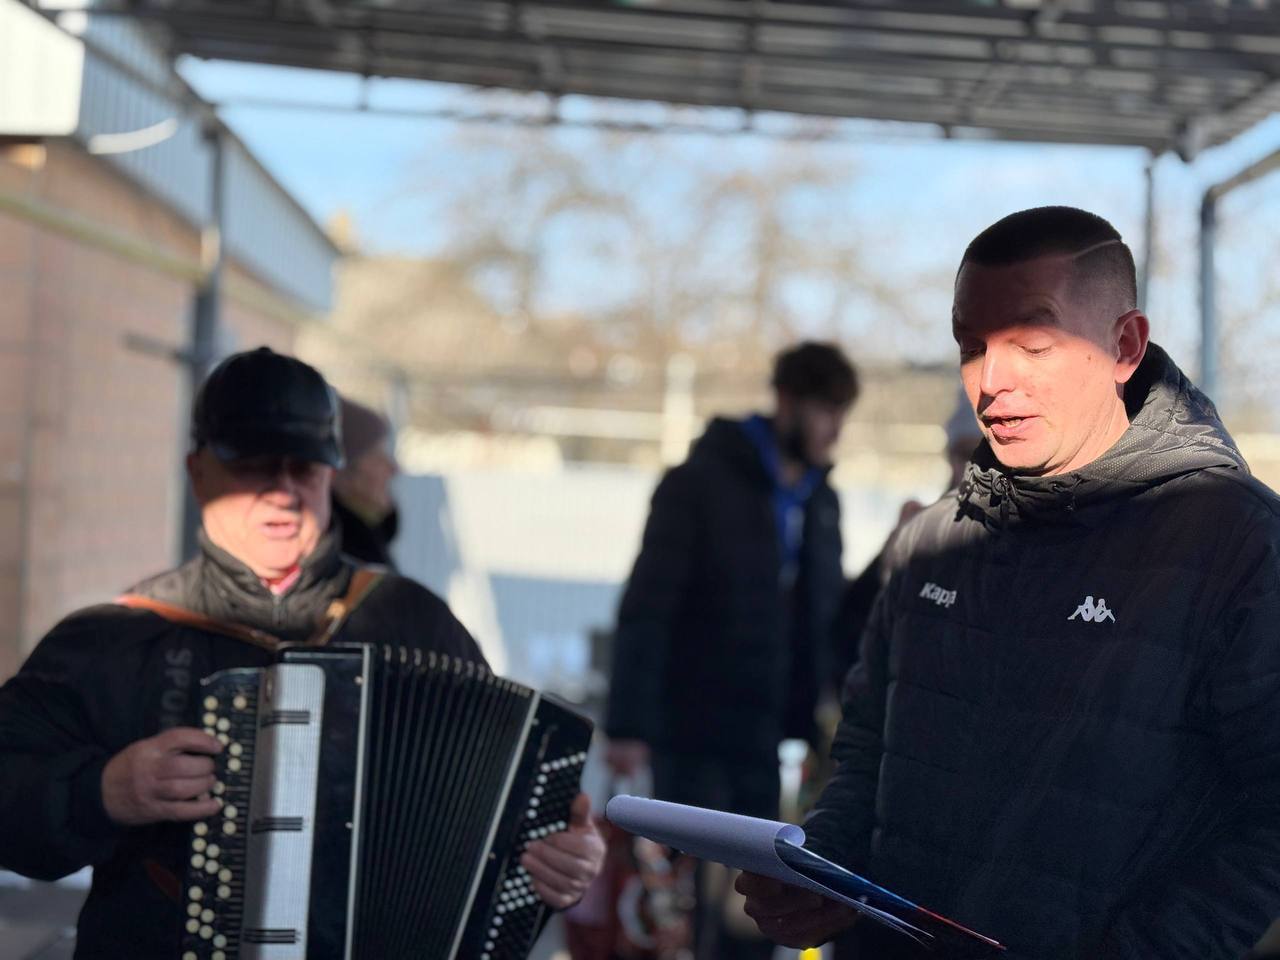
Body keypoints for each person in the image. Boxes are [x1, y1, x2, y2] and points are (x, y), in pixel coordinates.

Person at [738, 206, 1280, 959]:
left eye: (1033, 341)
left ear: (1125, 347)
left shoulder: (1238, 545)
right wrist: (828, 873)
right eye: (970, 346)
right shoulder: (928, 543)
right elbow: (867, 754)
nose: (990, 383)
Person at [0, 347, 605, 958]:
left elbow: (499, 829)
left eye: (306, 469)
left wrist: (561, 864)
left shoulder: (412, 619)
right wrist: (104, 791)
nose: (284, 492)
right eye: (256, 467)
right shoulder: (116, 638)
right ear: (197, 471)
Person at [605, 341, 857, 958]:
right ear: (787, 402)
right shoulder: (698, 484)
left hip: (766, 737)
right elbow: (648, 606)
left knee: (752, 906)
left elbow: (830, 617)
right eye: (826, 411)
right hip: (689, 731)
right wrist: (628, 726)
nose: (834, 430)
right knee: (681, 908)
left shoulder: (822, 503)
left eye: (841, 414)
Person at [332, 395, 401, 569]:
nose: (394, 469)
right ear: (342, 474)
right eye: (378, 457)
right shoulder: (347, 561)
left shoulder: (370, 543)